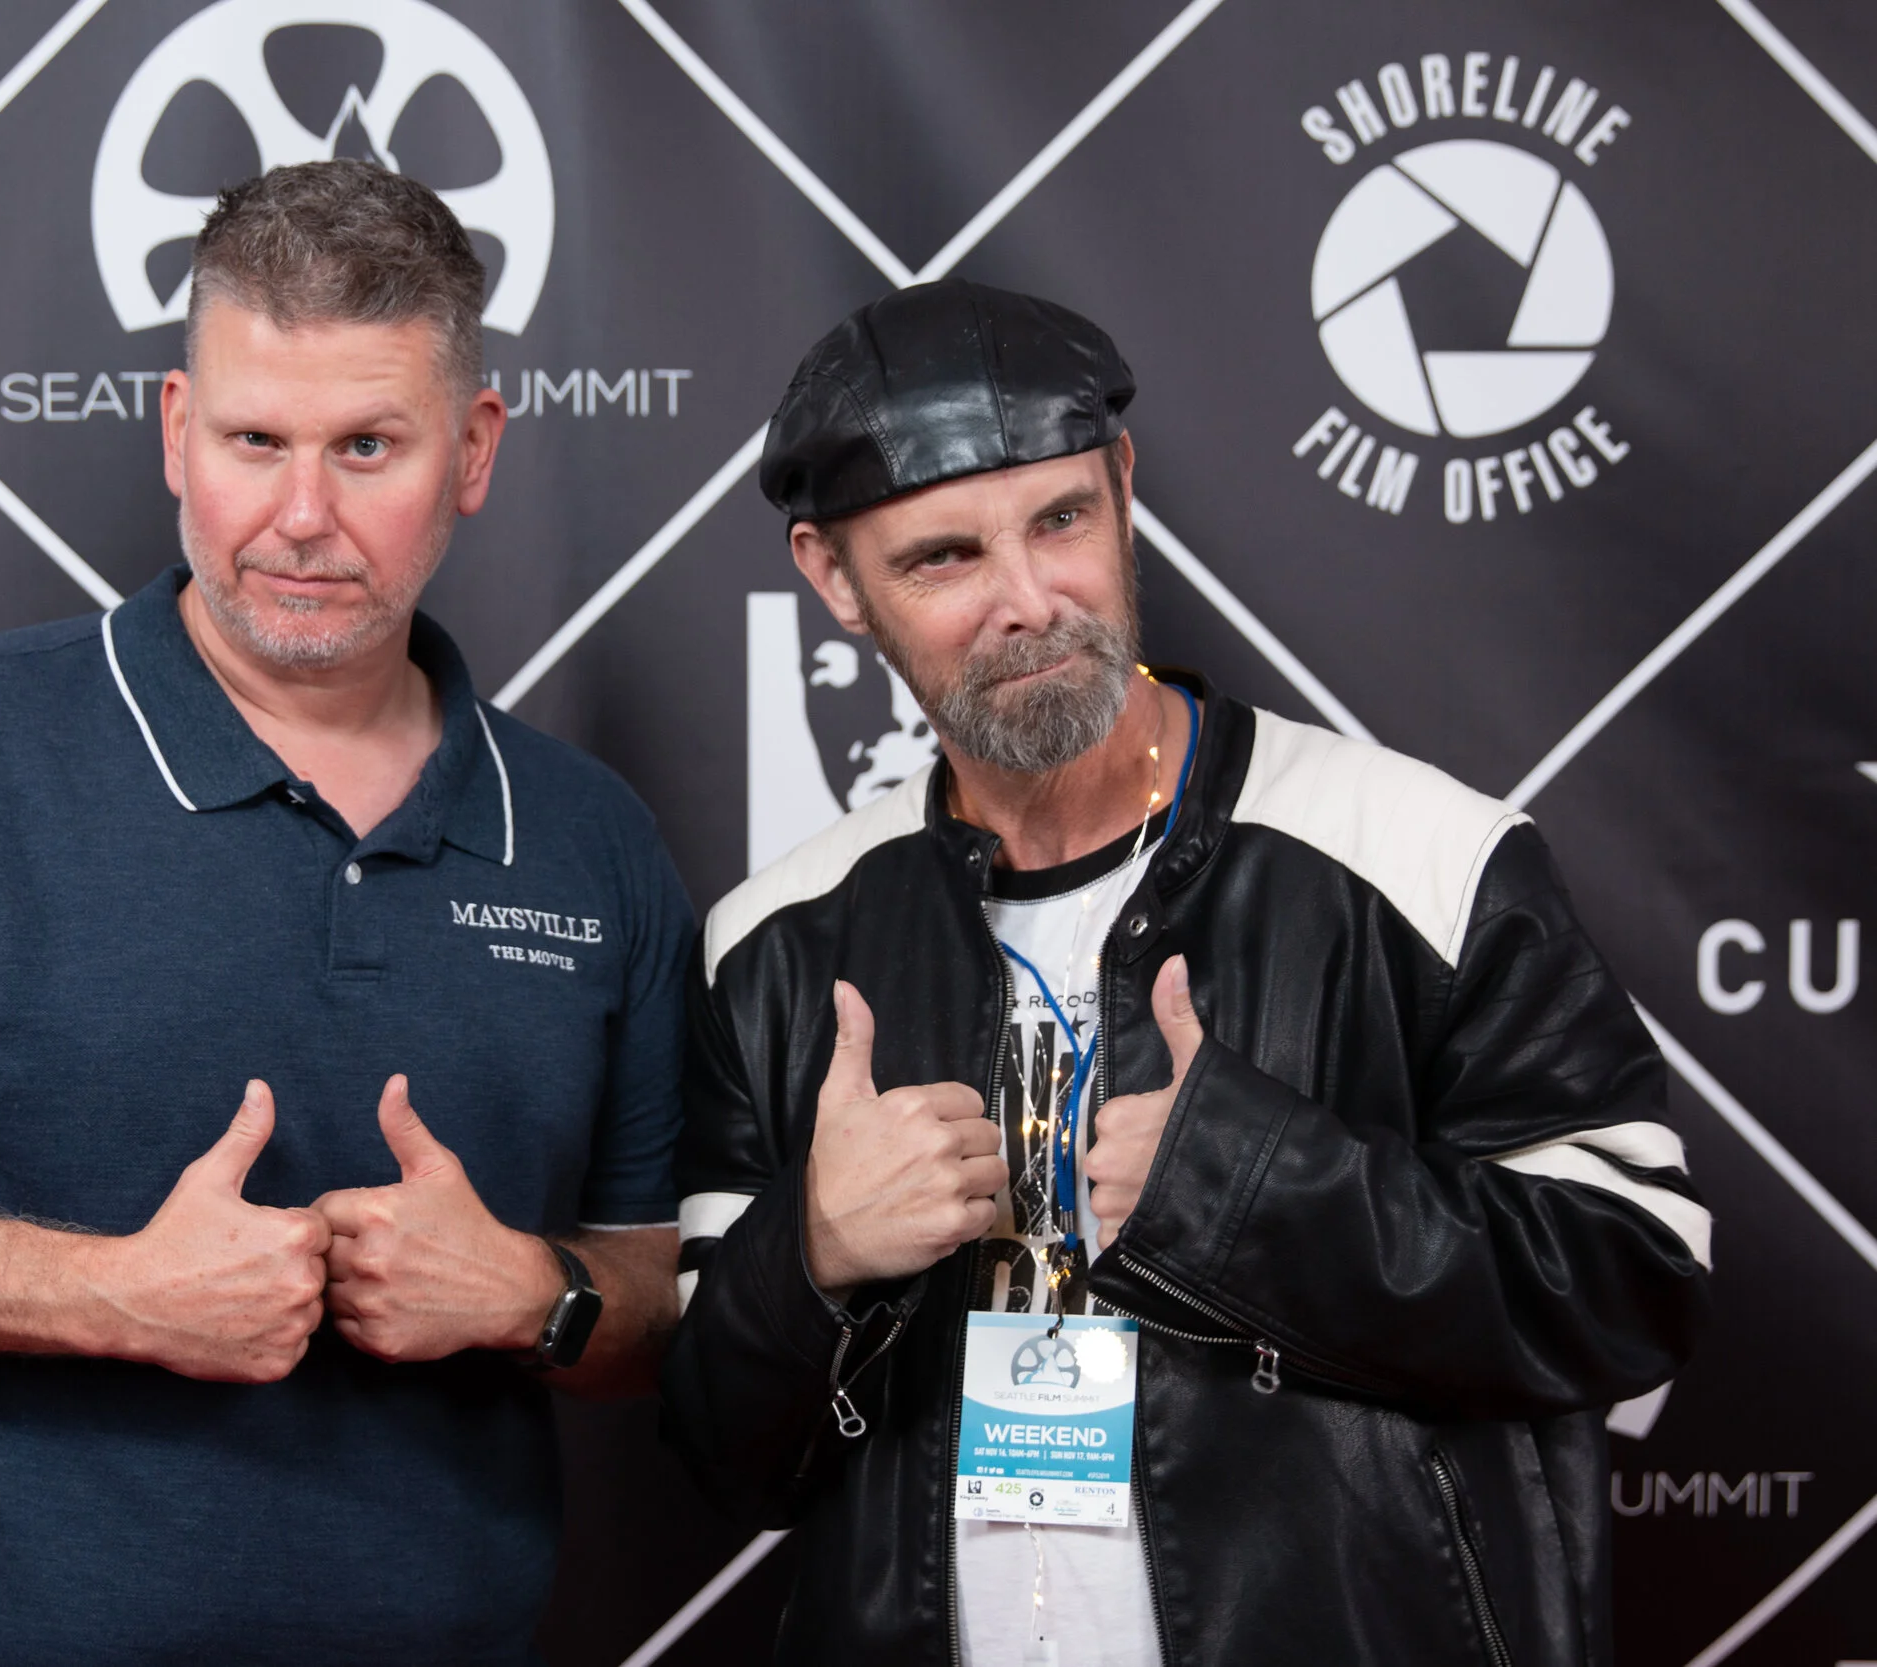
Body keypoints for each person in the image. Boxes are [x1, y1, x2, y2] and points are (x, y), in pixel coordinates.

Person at [0, 160, 692, 1666]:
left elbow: (650, 1302)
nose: (302, 515)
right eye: (255, 440)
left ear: (474, 449)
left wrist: (532, 1294)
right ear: (179, 431)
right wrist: (109, 1294)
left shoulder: (589, 841)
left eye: (369, 446)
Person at [662, 277, 1708, 1666]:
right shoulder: (776, 942)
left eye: (1062, 520)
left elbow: (1634, 1281)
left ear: (1124, 484)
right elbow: (726, 1458)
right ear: (833, 579)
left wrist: (1256, 1188)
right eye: (945, 558)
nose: (1030, 602)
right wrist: (813, 1255)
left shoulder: (1419, 855)